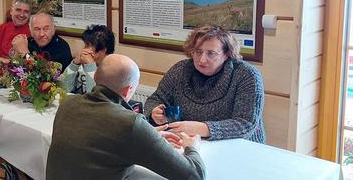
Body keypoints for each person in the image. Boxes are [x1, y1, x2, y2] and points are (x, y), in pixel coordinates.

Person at [46, 54, 205, 180]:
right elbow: (194, 175)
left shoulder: (68, 103)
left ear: (96, 78)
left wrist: (149, 135)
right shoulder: (130, 124)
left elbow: (97, 139)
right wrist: (192, 147)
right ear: (128, 90)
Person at [145, 25, 266, 143]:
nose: (202, 59)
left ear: (227, 54)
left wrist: (203, 129)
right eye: (198, 51)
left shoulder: (247, 75)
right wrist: (154, 112)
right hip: (190, 144)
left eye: (211, 53)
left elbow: (245, 124)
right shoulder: (180, 70)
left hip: (240, 148)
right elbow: (156, 99)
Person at [61, 24, 115, 94]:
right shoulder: (81, 65)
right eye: (85, 45)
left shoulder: (113, 71)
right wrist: (74, 64)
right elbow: (63, 89)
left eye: (87, 46)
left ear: (103, 50)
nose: (84, 49)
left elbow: (96, 97)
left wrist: (90, 66)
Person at [0, 0, 31, 73]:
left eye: (26, 12)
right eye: (18, 10)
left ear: (29, 15)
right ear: (11, 11)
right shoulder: (2, 28)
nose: (22, 15)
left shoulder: (32, 32)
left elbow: (31, 62)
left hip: (18, 74)